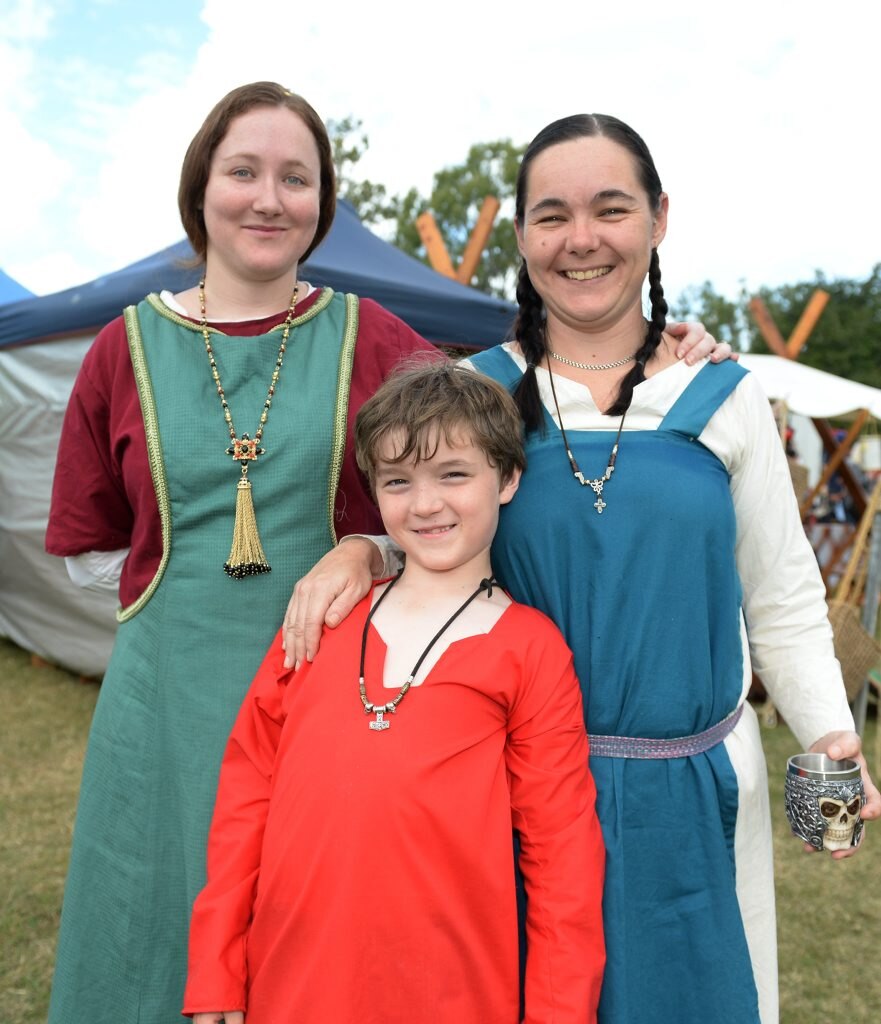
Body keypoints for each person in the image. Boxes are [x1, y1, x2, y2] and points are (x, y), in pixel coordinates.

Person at [43, 78, 720, 1022]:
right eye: (243, 171)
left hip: (339, 681)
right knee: (158, 940)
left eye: (297, 178)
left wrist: (656, 350)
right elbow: (88, 546)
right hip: (166, 713)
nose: (269, 198)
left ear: (324, 203)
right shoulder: (121, 349)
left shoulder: (372, 335)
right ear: (201, 187)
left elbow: (477, 433)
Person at [282, 114, 881, 1024]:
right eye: (551, 215)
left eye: (610, 208)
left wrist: (830, 739)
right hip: (503, 784)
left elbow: (782, 590)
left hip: (695, 782)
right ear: (521, 236)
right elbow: (432, 522)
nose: (581, 239)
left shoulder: (722, 395)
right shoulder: (478, 390)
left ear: (657, 219)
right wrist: (364, 547)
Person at [182, 362, 606, 1024]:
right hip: (291, 984)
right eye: (398, 481)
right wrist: (214, 972)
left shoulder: (530, 650)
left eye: (454, 475)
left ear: (508, 478)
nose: (426, 504)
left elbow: (561, 864)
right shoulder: (319, 617)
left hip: (450, 991)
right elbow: (246, 799)